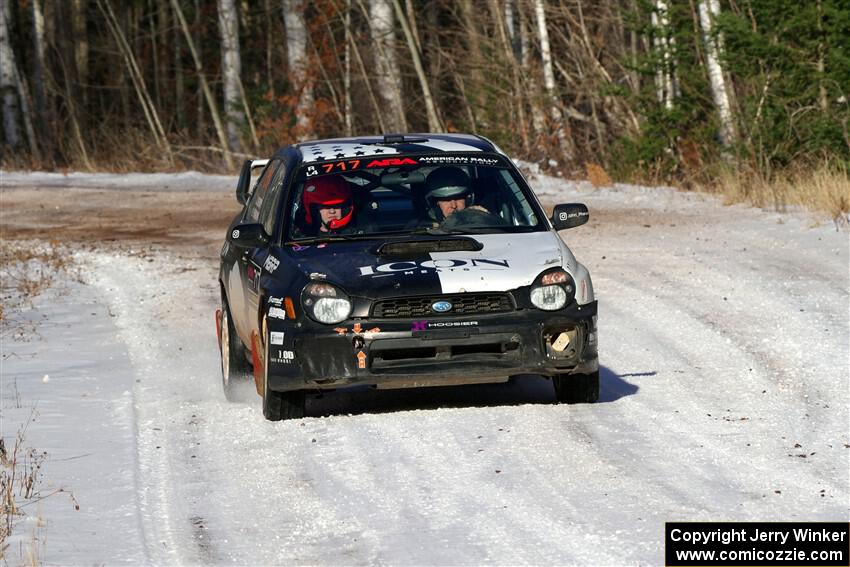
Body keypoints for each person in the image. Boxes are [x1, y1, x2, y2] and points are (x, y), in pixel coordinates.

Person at [423, 166, 506, 229]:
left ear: (469, 199)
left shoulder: (482, 220)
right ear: (436, 203)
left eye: (458, 198)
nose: (454, 205)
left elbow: (504, 230)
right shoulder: (421, 229)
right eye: (446, 200)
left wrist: (486, 217)